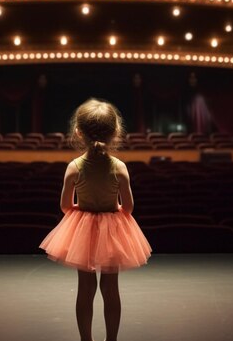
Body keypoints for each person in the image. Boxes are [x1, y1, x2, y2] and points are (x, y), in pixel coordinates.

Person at [40, 98, 152, 341]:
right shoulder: (119, 167)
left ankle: (86, 340)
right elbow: (129, 207)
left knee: (85, 288)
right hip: (113, 229)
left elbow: (65, 206)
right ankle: (111, 339)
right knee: (111, 289)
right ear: (115, 132)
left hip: (83, 230)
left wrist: (83, 206)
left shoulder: (74, 167)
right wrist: (115, 208)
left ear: (78, 132)